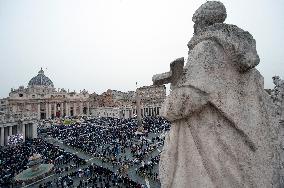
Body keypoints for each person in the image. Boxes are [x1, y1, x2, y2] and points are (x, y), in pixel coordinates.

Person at [158, 1, 280, 188]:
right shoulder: (235, 50)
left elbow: (184, 103)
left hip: (216, 157)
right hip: (241, 148)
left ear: (200, 22)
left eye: (194, 22)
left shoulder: (207, 49)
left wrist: (170, 98)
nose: (193, 27)